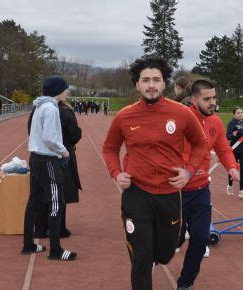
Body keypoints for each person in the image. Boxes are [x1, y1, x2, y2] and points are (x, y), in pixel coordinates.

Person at [102, 56, 208, 290]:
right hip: (136, 194)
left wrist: (189, 172)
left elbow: (201, 144)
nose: (151, 85)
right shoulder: (124, 116)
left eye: (156, 80)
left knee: (164, 253)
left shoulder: (181, 113)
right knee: (141, 255)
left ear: (164, 83)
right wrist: (116, 173)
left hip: (169, 194)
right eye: (145, 80)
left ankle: (156, 257)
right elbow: (109, 148)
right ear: (137, 85)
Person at [175, 80, 240, 290]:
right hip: (175, 192)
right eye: (207, 99)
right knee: (173, 241)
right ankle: (154, 257)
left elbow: (223, 148)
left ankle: (185, 283)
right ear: (194, 100)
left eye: (214, 97)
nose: (213, 102)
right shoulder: (181, 120)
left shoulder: (216, 123)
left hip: (201, 191)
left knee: (200, 239)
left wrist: (231, 166)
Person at [22, 76, 77, 260]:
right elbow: (49, 138)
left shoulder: (39, 106)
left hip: (36, 159)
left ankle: (29, 244)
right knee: (56, 203)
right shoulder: (51, 108)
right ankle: (56, 250)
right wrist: (64, 151)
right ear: (58, 90)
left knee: (34, 202)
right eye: (65, 89)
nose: (67, 92)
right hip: (47, 161)